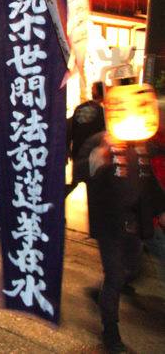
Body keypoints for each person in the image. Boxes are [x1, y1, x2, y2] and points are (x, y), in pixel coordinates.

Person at [75, 127, 165, 353]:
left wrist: (161, 210)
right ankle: (110, 331)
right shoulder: (98, 140)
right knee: (115, 275)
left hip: (135, 222)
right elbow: (80, 170)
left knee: (132, 268)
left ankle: (102, 293)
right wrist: (100, 154)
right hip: (110, 223)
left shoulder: (139, 141)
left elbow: (149, 181)